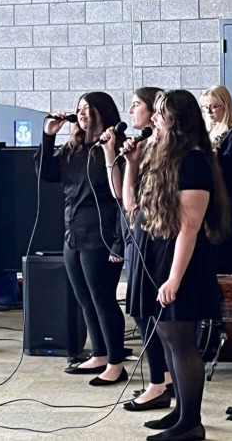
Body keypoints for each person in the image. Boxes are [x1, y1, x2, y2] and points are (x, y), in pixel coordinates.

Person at [121, 90, 230, 441]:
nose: (153, 117)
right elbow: (130, 206)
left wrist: (173, 279)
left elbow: (190, 225)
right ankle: (180, 412)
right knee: (167, 337)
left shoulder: (194, 160)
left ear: (178, 121)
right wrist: (131, 163)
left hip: (180, 260)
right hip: (158, 253)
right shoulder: (163, 155)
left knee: (181, 340)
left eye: (161, 114)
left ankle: (191, 423)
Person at [37, 92, 128, 386]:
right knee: (84, 299)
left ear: (104, 113)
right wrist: (48, 136)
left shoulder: (112, 149)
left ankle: (116, 363)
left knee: (103, 299)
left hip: (100, 234)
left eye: (89, 109)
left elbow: (121, 200)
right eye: (80, 109)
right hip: (73, 231)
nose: (83, 113)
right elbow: (46, 174)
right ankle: (99, 354)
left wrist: (118, 242)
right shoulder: (75, 148)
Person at [101, 87, 174, 411]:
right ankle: (160, 378)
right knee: (142, 313)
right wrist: (110, 156)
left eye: (137, 106)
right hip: (135, 235)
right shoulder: (138, 148)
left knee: (154, 315)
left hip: (156, 240)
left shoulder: (161, 150)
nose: (131, 112)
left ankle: (162, 380)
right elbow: (122, 196)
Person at [200, 85, 232, 275]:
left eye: (214, 106)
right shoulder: (207, 133)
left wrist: (211, 155)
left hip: (230, 208)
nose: (209, 111)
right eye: (205, 107)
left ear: (226, 106)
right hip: (210, 207)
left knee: (228, 267)